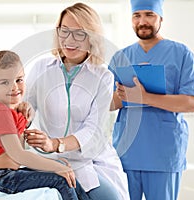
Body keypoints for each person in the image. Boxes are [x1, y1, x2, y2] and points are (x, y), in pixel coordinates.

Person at [24, 3, 129, 200]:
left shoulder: (103, 77)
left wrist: (56, 144)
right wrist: (24, 111)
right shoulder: (40, 68)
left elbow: (93, 130)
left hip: (91, 159)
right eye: (65, 31)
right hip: (50, 159)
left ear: (92, 38)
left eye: (79, 33)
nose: (69, 40)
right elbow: (27, 106)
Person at [108, 0, 194, 200]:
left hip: (164, 153)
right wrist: (123, 95)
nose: (142, 21)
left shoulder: (181, 54)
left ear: (160, 18)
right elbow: (107, 104)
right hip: (127, 151)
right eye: (137, 16)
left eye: (149, 15)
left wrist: (145, 97)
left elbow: (191, 103)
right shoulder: (121, 57)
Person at [0, 50, 82, 200]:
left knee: (65, 172)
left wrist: (56, 163)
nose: (14, 87)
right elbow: (18, 155)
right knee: (61, 179)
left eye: (18, 80)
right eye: (4, 82)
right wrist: (57, 167)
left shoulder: (12, 111)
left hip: (5, 174)